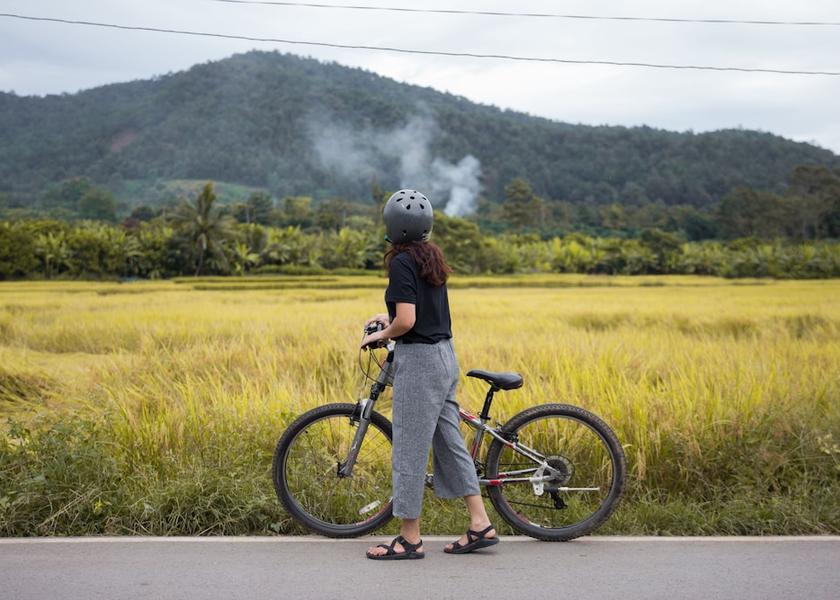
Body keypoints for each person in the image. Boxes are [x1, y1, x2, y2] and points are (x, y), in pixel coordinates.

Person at [361, 189, 499, 560]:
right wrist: (387, 319)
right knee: (449, 444)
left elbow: (408, 321)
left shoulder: (401, 263)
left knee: (408, 448)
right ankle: (480, 523)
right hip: (444, 356)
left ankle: (409, 539)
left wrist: (382, 333)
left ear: (393, 226)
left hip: (420, 363)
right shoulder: (429, 257)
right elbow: (418, 312)